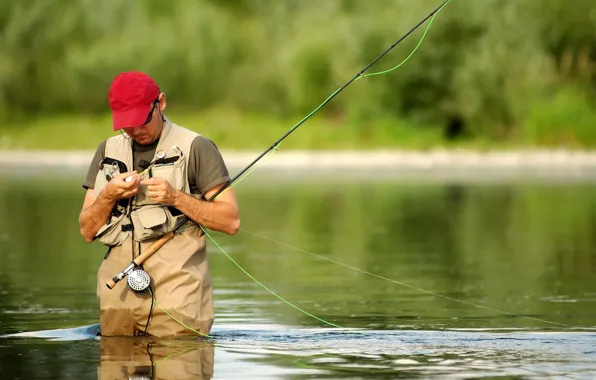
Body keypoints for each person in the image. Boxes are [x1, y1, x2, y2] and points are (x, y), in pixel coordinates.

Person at [79, 71, 240, 337]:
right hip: (116, 300)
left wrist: (176, 197)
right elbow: (87, 230)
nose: (136, 131)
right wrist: (108, 194)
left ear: (161, 103)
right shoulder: (106, 151)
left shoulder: (197, 147)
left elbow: (231, 221)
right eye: (126, 124)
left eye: (142, 120)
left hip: (179, 302)